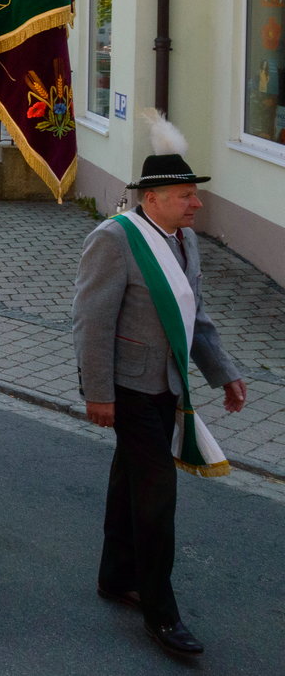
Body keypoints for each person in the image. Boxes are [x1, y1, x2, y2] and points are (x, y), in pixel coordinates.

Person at [71, 111, 245, 657]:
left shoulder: (185, 240)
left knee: (129, 482)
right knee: (155, 499)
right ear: (152, 198)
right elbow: (91, 322)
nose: (197, 204)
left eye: (195, 195)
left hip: (166, 385)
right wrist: (97, 392)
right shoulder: (115, 239)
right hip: (128, 389)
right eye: (186, 195)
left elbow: (193, 317)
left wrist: (225, 373)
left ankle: (115, 575)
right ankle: (160, 613)